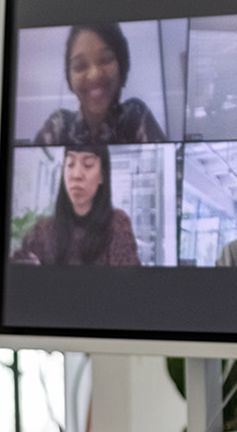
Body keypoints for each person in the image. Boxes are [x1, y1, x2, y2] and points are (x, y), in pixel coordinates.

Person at [30, 22, 168, 146]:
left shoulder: (135, 116)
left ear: (122, 67)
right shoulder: (58, 126)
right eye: (80, 66)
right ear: (69, 79)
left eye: (105, 59)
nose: (94, 75)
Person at [11, 145, 139, 266]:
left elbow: (128, 283)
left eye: (88, 165)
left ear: (102, 175)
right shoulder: (42, 230)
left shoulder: (117, 225)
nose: (76, 175)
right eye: (70, 164)